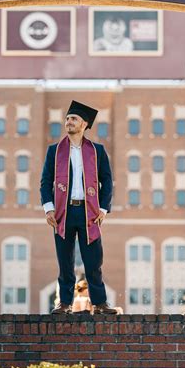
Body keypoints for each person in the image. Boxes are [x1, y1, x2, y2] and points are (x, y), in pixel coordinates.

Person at [40, 100, 118, 315]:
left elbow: (107, 180)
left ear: (84, 124)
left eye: (73, 119)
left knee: (93, 261)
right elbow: (46, 181)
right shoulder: (54, 151)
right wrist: (48, 208)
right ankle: (64, 304)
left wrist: (103, 209)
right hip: (62, 213)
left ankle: (100, 304)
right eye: (67, 119)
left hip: (89, 212)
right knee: (65, 261)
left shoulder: (97, 151)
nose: (68, 122)